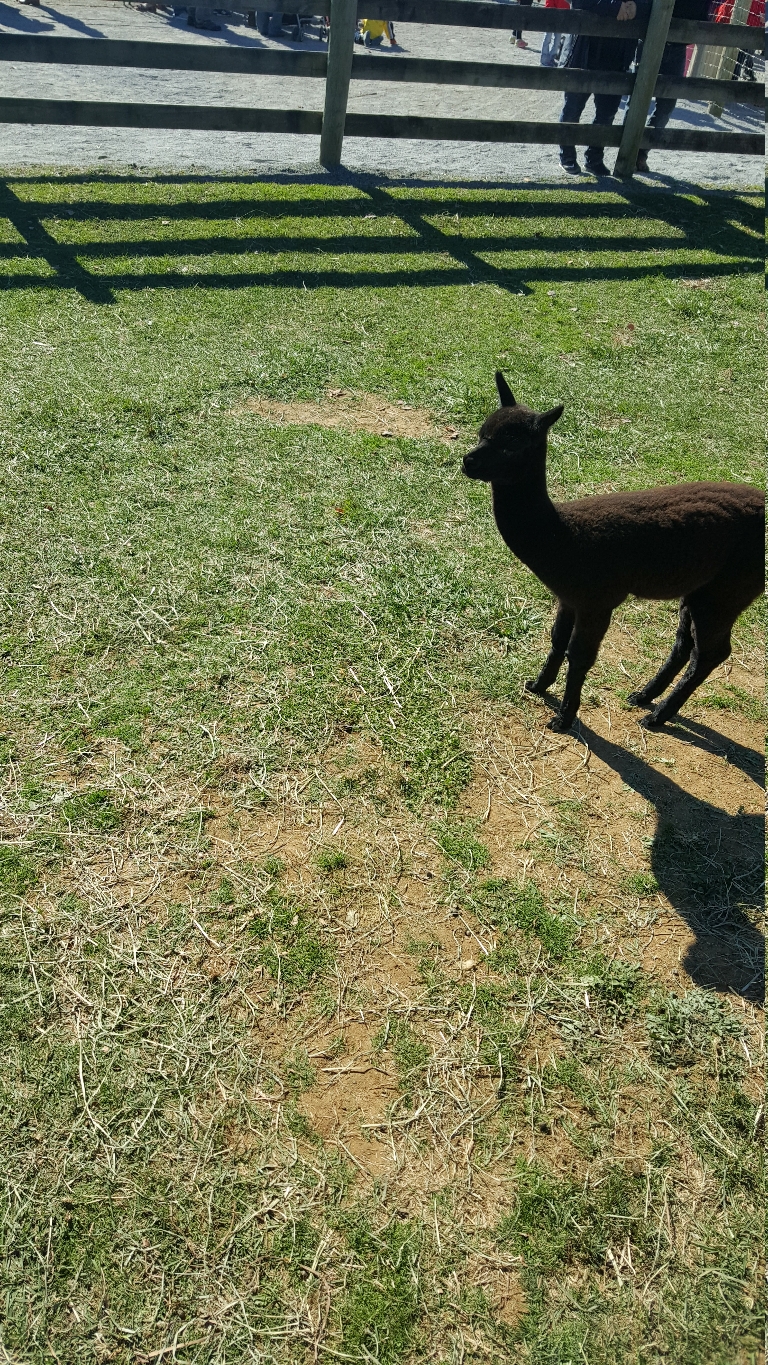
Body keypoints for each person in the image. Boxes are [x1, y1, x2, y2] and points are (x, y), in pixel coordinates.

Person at [558, 0, 646, 175]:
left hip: (618, 55)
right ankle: (567, 155)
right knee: (573, 107)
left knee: (607, 113)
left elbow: (652, 6)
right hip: (585, 51)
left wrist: (637, 7)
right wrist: (613, 7)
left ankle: (594, 158)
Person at [541, 0, 571, 65]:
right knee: (547, 38)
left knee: (557, 39)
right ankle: (544, 60)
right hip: (551, 15)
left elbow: (567, 4)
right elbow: (549, 4)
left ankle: (552, 58)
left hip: (562, 16)